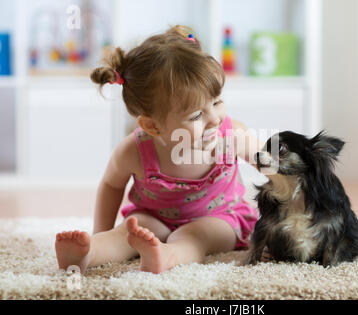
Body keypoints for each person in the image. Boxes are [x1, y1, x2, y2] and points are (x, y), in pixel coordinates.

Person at [54, 25, 263, 274]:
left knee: (195, 236)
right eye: (197, 115)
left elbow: (275, 164)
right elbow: (111, 185)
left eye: (217, 102)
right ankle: (89, 253)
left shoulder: (231, 136)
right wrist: (102, 231)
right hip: (155, 219)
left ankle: (169, 256)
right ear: (152, 126)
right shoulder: (133, 151)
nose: (215, 119)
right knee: (130, 230)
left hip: (220, 218)